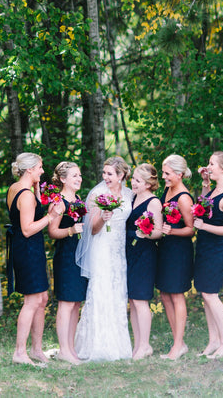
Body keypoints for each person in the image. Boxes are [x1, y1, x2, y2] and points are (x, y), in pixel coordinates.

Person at [73, 156, 134, 362]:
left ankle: (119, 344)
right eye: (104, 173)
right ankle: (97, 345)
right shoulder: (97, 194)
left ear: (121, 175)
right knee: (101, 290)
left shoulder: (129, 194)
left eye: (109, 174)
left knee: (118, 291)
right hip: (101, 248)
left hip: (119, 249)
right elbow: (92, 228)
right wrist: (103, 216)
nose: (105, 177)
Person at [6, 152, 64, 365]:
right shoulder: (26, 195)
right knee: (32, 301)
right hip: (28, 250)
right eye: (39, 167)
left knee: (42, 299)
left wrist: (40, 198)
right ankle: (20, 352)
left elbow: (28, 215)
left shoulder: (16, 188)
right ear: (30, 169)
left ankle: (36, 349)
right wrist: (51, 217)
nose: (42, 171)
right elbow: (28, 229)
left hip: (30, 249)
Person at [193, 151, 223, 359]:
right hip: (204, 246)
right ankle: (213, 340)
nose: (208, 167)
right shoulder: (214, 190)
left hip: (218, 250)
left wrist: (203, 226)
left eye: (211, 164)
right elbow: (202, 207)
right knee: (205, 293)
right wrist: (205, 183)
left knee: (211, 294)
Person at [47, 161, 86, 365]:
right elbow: (52, 231)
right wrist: (71, 230)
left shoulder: (78, 199)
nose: (79, 179)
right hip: (66, 256)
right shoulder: (58, 202)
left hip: (80, 255)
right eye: (74, 176)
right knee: (66, 303)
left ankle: (70, 348)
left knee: (76, 302)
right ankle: (64, 349)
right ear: (63, 179)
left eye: (79, 175)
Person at [156, 153, 195, 359]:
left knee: (177, 295)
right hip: (164, 248)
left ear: (179, 174)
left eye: (167, 173)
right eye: (163, 173)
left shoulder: (184, 197)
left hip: (178, 251)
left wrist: (171, 231)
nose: (164, 177)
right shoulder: (168, 190)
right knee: (164, 294)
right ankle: (178, 341)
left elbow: (191, 229)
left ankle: (178, 345)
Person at [126, 163, 162, 360]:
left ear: (148, 183)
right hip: (128, 251)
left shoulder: (153, 202)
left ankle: (145, 345)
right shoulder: (132, 197)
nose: (133, 182)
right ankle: (137, 344)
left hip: (144, 253)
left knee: (141, 300)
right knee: (132, 300)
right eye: (133, 179)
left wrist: (145, 233)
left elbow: (158, 231)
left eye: (138, 181)